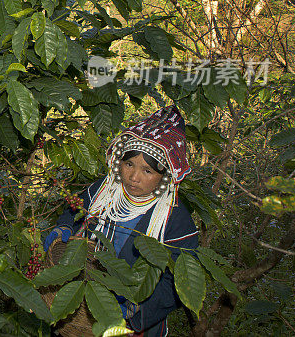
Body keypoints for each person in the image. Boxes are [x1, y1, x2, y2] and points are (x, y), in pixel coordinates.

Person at [44, 105, 198, 336]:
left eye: (147, 171)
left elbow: (176, 284)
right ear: (119, 163)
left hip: (135, 326)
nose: (134, 177)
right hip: (83, 309)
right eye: (129, 165)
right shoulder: (103, 191)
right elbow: (74, 210)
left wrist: (135, 312)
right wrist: (64, 228)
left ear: (164, 176)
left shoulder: (175, 220)